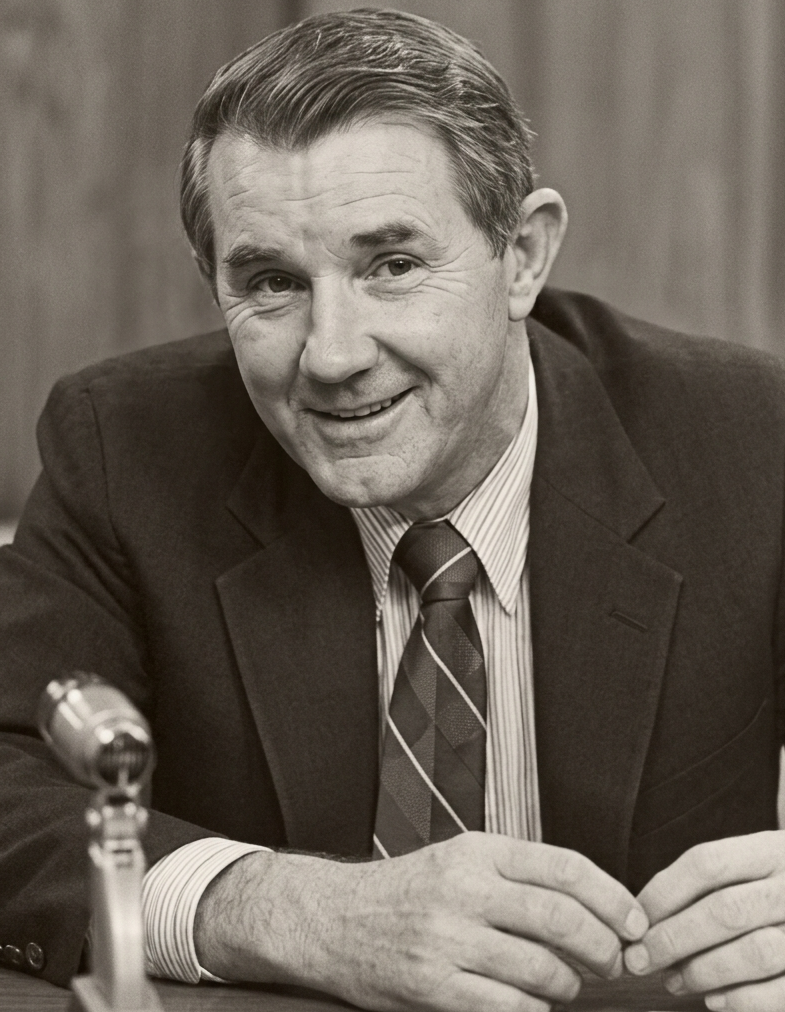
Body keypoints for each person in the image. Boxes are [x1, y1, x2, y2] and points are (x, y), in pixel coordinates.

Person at [1, 8, 785, 1011]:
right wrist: (285, 907)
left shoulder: (747, 442)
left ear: (523, 255)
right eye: (272, 282)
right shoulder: (128, 447)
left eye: (393, 265)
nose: (331, 353)